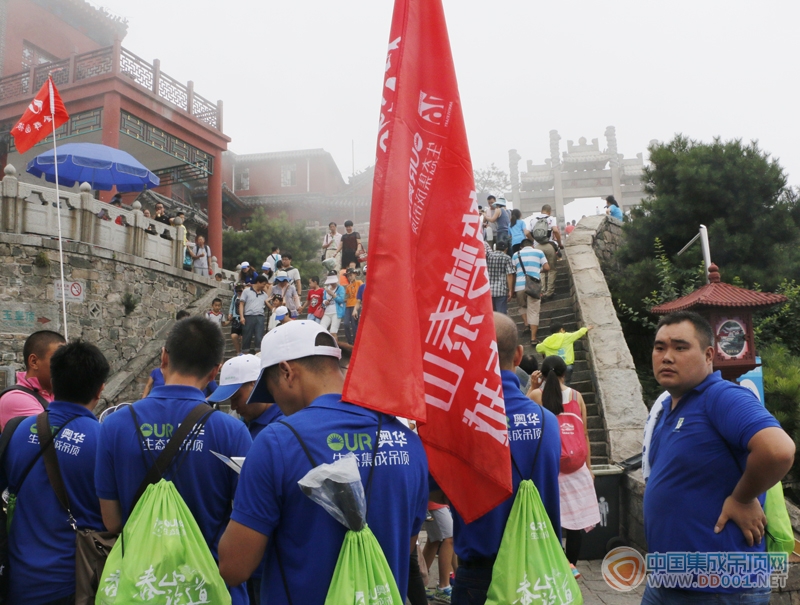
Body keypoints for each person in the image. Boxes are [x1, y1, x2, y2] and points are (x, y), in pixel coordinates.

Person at [218, 321, 428, 605]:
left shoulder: (275, 442)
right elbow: (407, 544)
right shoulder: (408, 441)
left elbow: (233, 568)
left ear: (286, 371)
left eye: (270, 390)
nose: (276, 402)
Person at [96, 317, 252, 605]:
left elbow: (112, 521)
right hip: (210, 588)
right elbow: (244, 524)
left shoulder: (115, 425)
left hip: (141, 588)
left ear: (164, 356)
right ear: (215, 370)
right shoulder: (233, 432)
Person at [641, 311, 795, 605]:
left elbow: (778, 450)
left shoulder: (721, 396)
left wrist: (741, 497)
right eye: (660, 347)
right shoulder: (670, 409)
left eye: (680, 347)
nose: (667, 356)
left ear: (709, 354)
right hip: (668, 581)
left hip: (720, 589)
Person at [438, 313, 561, 604]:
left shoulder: (457, 427)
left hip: (480, 579)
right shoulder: (548, 423)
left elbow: (436, 489)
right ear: (518, 355)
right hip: (540, 573)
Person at [0, 340, 109, 605]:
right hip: (73, 583)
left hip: (16, 581)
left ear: (54, 380)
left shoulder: (16, 430)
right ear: (100, 389)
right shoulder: (104, 442)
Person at [529, 355, 599, 579]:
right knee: (575, 522)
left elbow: (524, 423)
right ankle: (571, 564)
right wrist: (589, 468)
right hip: (576, 467)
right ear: (564, 373)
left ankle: (559, 563)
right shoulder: (577, 397)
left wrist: (531, 387)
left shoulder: (536, 396)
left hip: (550, 468)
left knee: (551, 519)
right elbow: (585, 433)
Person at [0, 330, 65, 430]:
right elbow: (56, 437)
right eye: (59, 360)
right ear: (34, 362)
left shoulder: (58, 394)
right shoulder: (16, 399)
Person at [511, 239, 549, 344]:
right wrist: (538, 270)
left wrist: (512, 289)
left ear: (521, 247)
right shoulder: (538, 252)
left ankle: (526, 324)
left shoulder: (515, 255)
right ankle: (533, 338)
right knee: (533, 311)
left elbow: (513, 273)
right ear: (532, 245)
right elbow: (547, 267)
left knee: (522, 307)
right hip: (533, 286)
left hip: (519, 286)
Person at [525, 204, 562, 300]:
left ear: (541, 211)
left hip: (537, 248)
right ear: (549, 211)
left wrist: (533, 241)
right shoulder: (551, 218)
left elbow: (526, 233)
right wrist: (559, 243)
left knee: (540, 270)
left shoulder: (533, 220)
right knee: (552, 269)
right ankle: (549, 292)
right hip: (549, 246)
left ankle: (541, 290)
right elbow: (556, 231)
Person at [422, 498, 455, 603]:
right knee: (450, 538)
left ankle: (419, 580)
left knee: (434, 539)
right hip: (434, 500)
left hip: (436, 500)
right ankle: (443, 586)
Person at [239, 274, 269, 353]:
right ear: (258, 282)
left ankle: (258, 355)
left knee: (259, 337)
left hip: (260, 317)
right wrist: (242, 317)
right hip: (248, 317)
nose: (264, 286)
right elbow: (241, 304)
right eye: (263, 284)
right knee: (246, 337)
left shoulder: (265, 295)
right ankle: (245, 355)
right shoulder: (246, 291)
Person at [485, 240, 515, 314]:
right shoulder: (506, 258)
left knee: (491, 314)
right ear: (506, 249)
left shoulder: (488, 257)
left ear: (495, 248)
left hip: (488, 290)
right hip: (501, 290)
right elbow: (509, 274)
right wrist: (511, 290)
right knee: (501, 314)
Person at [320, 270, 345, 338]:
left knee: (333, 332)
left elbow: (341, 300)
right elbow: (323, 299)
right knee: (321, 329)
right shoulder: (326, 289)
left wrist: (333, 294)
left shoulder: (340, 288)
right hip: (327, 312)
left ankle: (335, 347)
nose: (332, 283)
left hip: (336, 312)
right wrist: (325, 302)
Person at [343, 267, 363, 345]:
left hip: (356, 305)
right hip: (348, 306)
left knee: (354, 325)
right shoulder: (348, 286)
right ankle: (349, 341)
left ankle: (355, 342)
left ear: (355, 275)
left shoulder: (359, 282)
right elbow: (347, 297)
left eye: (351, 275)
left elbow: (362, 292)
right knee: (345, 323)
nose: (349, 277)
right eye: (348, 276)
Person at [229, 284, 244, 356]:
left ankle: (243, 351)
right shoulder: (235, 297)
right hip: (236, 318)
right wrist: (230, 314)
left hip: (244, 318)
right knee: (234, 336)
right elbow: (232, 306)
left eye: (240, 291)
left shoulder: (246, 297)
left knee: (242, 337)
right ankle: (238, 352)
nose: (239, 292)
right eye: (237, 291)